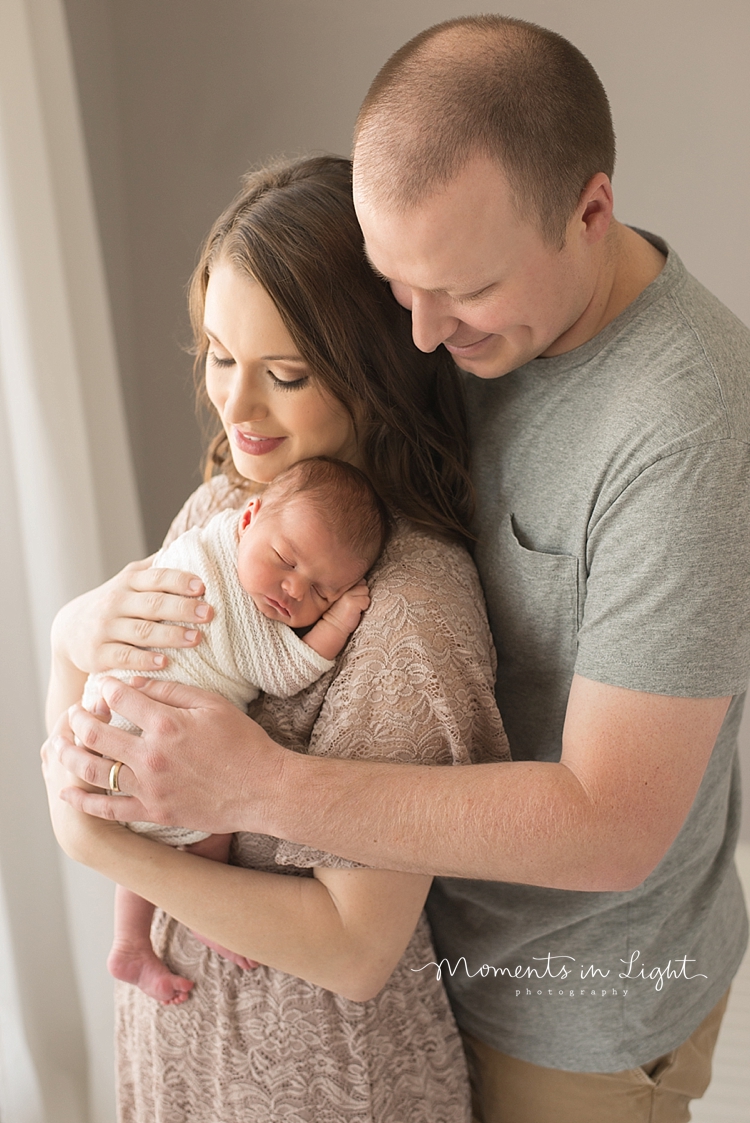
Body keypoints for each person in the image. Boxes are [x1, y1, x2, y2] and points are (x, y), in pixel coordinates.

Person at [45, 15, 750, 1123]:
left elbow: (617, 825)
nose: (415, 334)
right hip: (413, 953)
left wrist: (249, 788)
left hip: (567, 995)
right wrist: (75, 630)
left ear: (590, 214)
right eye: (393, 283)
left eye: (457, 292)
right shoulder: (451, 310)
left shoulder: (686, 428)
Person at [44, 154, 510, 1122]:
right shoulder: (225, 507)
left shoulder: (411, 609)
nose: (238, 408)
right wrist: (66, 633)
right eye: (220, 355)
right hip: (179, 1049)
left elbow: (354, 945)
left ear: (375, 369)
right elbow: (108, 704)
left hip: (318, 1082)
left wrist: (95, 843)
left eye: (285, 374)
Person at [91, 456, 385, 1006]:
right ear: (246, 518)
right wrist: (337, 621)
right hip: (133, 711)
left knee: (134, 842)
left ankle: (130, 943)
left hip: (103, 716)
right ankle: (208, 913)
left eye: (322, 592)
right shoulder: (217, 581)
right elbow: (285, 673)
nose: (293, 591)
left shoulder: (219, 538)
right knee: (210, 823)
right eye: (284, 560)